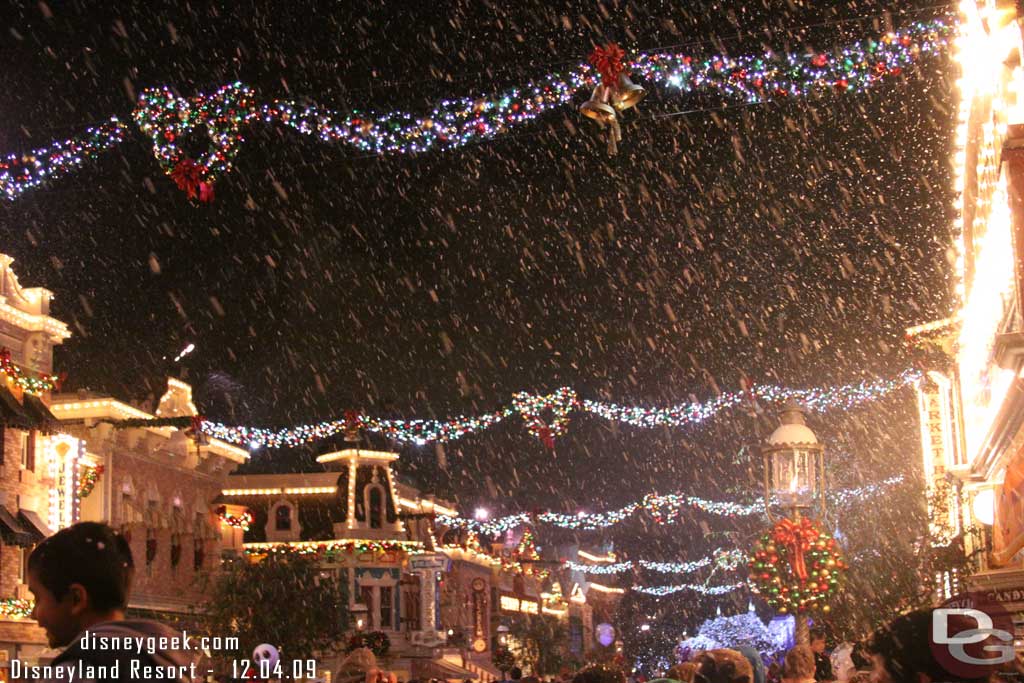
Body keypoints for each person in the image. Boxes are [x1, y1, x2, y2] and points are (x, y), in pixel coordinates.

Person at [25, 521, 195, 682]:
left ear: (76, 598)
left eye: (38, 598)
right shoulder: (167, 666)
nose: (34, 614)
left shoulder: (74, 673)